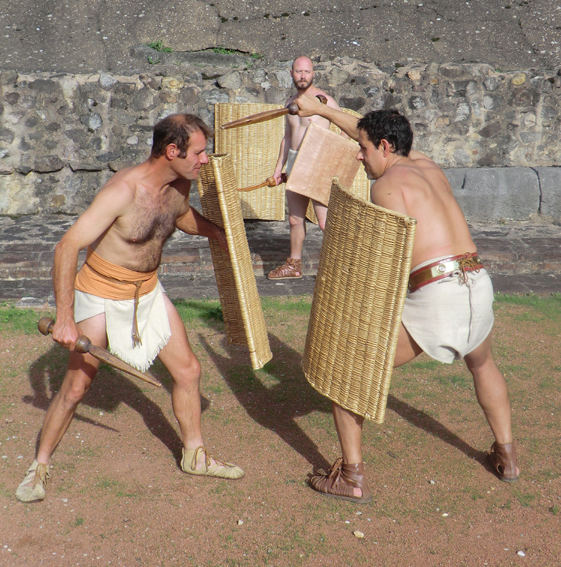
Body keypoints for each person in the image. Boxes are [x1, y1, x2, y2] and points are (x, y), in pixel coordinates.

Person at [295, 96, 519, 503]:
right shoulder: (427, 167)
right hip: (477, 282)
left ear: (384, 147)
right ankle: (507, 455)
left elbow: (384, 264)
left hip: (438, 295)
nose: (359, 158)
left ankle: (350, 476)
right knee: (482, 362)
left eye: (363, 150)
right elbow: (371, 134)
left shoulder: (385, 187)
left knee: (349, 372)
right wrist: (325, 110)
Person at [16, 114, 244, 503]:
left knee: (188, 370)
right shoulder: (122, 190)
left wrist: (217, 233)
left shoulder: (180, 183)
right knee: (75, 387)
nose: (205, 160)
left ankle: (195, 454)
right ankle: (39, 465)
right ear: (172, 151)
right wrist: (66, 318)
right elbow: (67, 246)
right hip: (101, 293)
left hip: (148, 291)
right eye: (199, 152)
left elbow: (177, 215)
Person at [267, 56, 344, 280]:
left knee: (323, 221)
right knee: (294, 219)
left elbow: (345, 127)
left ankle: (341, 265)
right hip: (294, 162)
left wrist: (334, 157)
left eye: (307, 72)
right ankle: (294, 265)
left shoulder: (324, 101)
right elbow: (287, 137)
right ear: (291, 73)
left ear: (313, 74)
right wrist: (278, 169)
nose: (303, 76)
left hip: (317, 164)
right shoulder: (289, 103)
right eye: (299, 72)